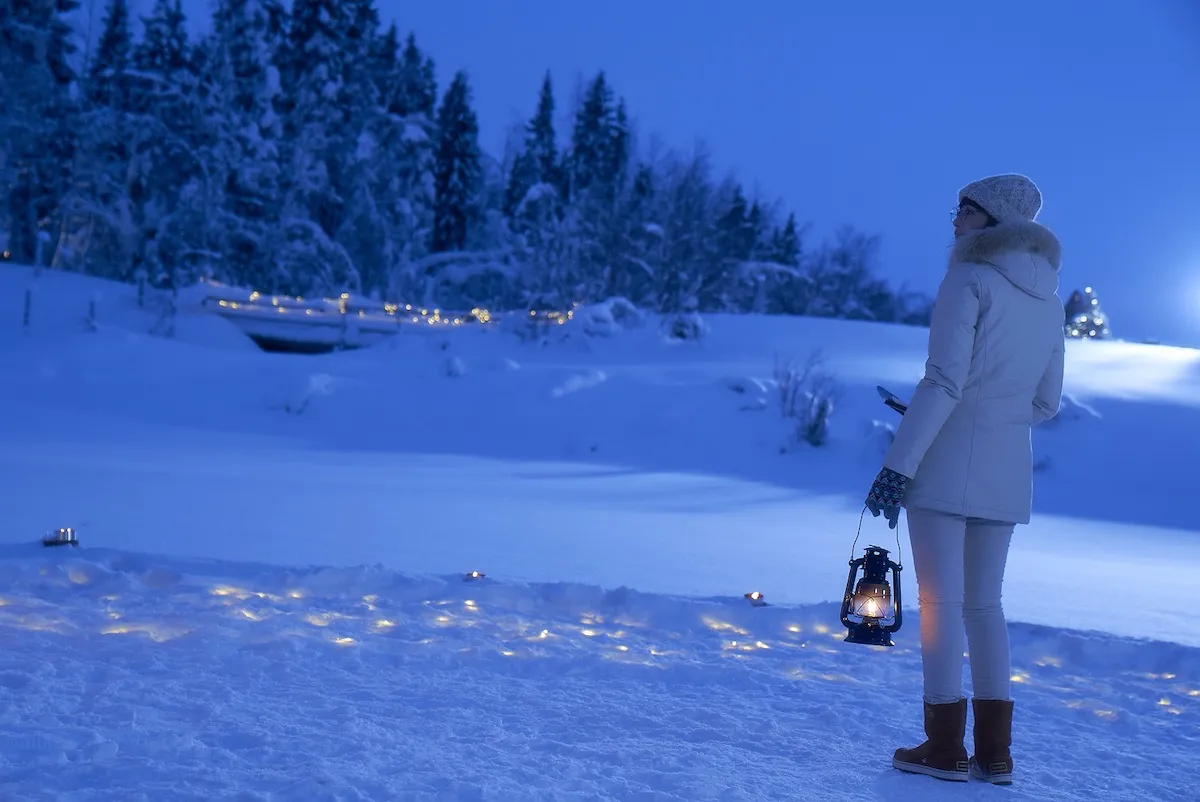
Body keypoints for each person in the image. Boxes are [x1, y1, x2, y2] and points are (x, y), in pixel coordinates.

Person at [864, 174, 1065, 785]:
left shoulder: (967, 278)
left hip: (946, 467)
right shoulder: (1049, 300)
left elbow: (944, 382)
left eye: (967, 210)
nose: (955, 219)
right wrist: (993, 419)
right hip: (1007, 471)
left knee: (939, 605)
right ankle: (996, 757)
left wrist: (897, 465)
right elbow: (1046, 403)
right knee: (986, 607)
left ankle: (944, 747)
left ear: (994, 219)